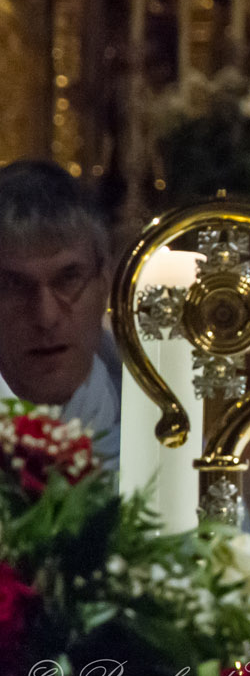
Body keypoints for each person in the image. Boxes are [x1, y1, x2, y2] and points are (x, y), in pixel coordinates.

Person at [0, 159, 120, 469]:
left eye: (68, 278)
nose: (46, 317)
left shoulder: (166, 435)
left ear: (103, 282)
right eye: (14, 285)